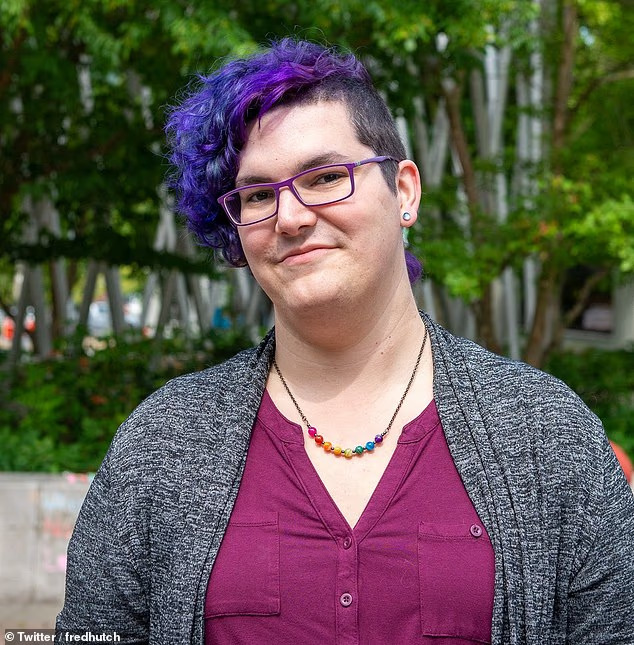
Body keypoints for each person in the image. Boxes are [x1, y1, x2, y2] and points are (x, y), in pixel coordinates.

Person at [56, 38, 634, 644]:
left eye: (326, 177)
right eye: (258, 195)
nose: (290, 217)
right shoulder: (165, 442)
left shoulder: (544, 433)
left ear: (404, 191)